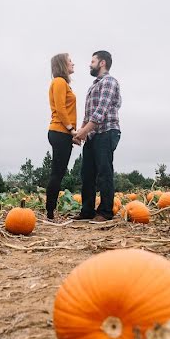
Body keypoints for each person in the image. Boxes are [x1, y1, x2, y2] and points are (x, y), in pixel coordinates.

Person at [73, 50, 121, 222]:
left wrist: (84, 131)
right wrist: (81, 132)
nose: (89, 64)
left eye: (92, 61)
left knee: (104, 173)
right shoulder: (94, 85)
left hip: (107, 132)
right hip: (93, 134)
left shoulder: (109, 82)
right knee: (87, 173)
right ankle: (87, 210)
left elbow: (101, 111)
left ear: (102, 63)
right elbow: (88, 115)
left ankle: (106, 212)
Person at [45, 53, 77, 220]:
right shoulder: (59, 82)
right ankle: (50, 213)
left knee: (59, 173)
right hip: (59, 131)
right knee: (57, 173)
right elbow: (60, 109)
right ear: (62, 65)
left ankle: (50, 211)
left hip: (62, 132)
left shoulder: (64, 84)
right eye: (70, 61)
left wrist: (72, 133)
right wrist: (72, 130)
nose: (73, 63)